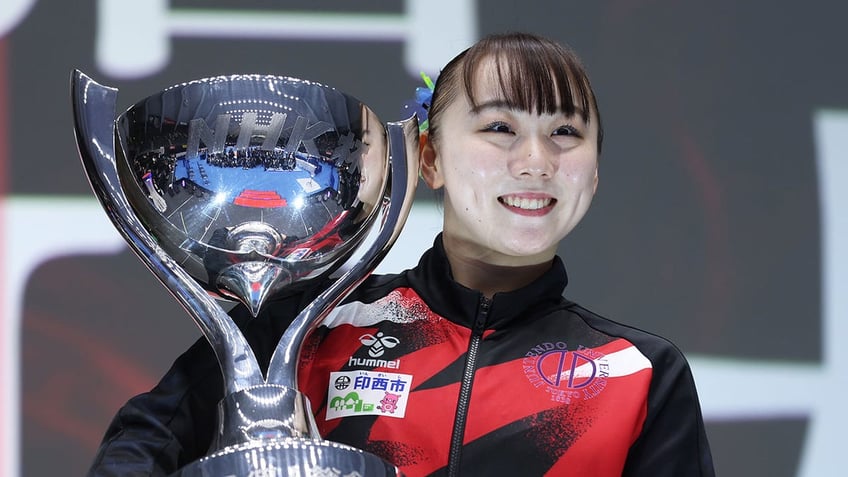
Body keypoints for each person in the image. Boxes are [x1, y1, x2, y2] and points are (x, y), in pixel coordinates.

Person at [88, 32, 715, 476]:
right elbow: (143, 441)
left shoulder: (638, 374)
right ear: (430, 157)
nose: (535, 162)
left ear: (596, 171)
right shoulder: (315, 327)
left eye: (566, 134)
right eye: (499, 128)